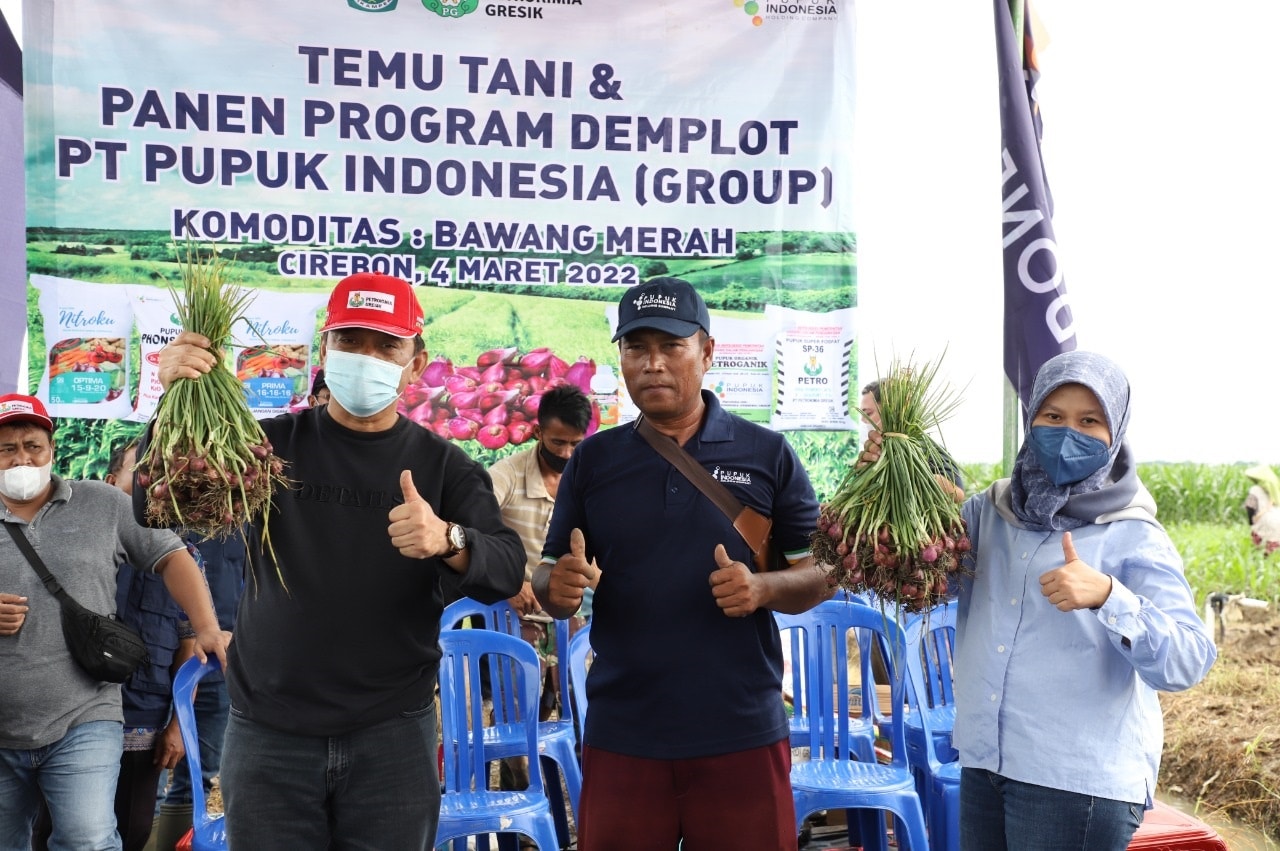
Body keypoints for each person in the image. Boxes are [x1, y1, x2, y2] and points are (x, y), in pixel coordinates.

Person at [148, 271, 525, 850]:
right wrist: (173, 402)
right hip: (269, 732)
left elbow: (505, 569)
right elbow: (157, 505)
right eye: (350, 341)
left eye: (386, 345)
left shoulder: (445, 466)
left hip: (391, 736)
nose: (365, 357)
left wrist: (447, 538)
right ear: (324, 349)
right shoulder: (266, 448)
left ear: (416, 363)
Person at [865, 351, 1216, 850]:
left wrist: (1109, 596)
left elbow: (1189, 659)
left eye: (1089, 421)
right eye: (1053, 416)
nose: (1067, 432)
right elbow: (917, 583)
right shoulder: (990, 512)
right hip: (986, 762)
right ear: (1031, 421)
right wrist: (890, 489)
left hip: (1075, 780)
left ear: (1115, 433)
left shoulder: (1132, 534)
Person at [533, 277, 832, 850]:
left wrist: (764, 588)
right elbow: (549, 575)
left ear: (707, 352)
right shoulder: (594, 460)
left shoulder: (767, 453)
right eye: (635, 348)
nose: (652, 364)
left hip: (740, 727)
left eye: (671, 346)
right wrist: (558, 585)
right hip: (624, 728)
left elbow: (818, 574)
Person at [0, 394, 228, 851]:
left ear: (51, 447)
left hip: (85, 715)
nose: (22, 458)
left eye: (32, 445)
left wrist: (205, 626)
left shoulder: (101, 503)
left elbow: (171, 555)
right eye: (6, 449)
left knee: (88, 839)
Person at [487, 384, 594, 790]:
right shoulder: (508, 475)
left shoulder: (586, 477)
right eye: (557, 442)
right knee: (517, 718)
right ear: (537, 433)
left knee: (582, 712)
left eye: (575, 444)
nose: (566, 453)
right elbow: (472, 524)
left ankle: (580, 806)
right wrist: (509, 581)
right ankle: (519, 807)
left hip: (575, 617)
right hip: (521, 616)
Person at [860, 377, 965, 496]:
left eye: (867, 413)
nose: (862, 420)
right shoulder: (873, 450)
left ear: (892, 409)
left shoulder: (925, 446)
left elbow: (958, 492)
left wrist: (909, 470)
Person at [1242, 464, 1280, 555]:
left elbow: (1250, 506)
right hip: (1277, 518)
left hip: (1265, 519)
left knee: (1259, 546)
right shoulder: (1273, 489)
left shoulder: (1255, 489)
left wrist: (1252, 521)